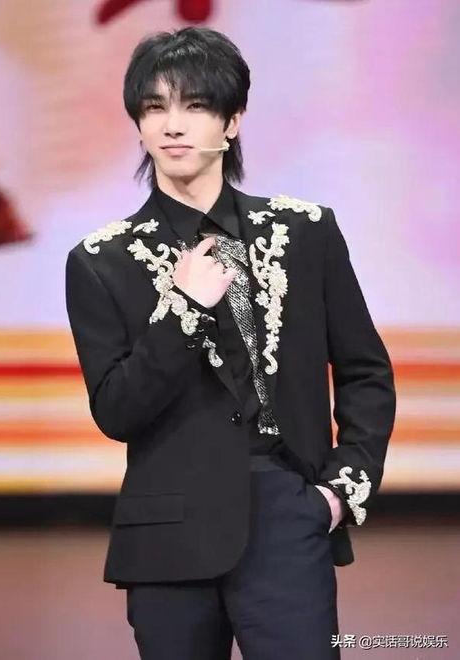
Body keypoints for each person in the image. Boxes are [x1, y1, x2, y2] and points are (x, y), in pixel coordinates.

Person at [65, 26, 396, 660]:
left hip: (288, 514)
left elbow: (365, 372)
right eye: (154, 107)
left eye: (194, 105)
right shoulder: (101, 260)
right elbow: (116, 411)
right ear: (139, 125)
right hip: (167, 534)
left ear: (232, 120)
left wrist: (337, 494)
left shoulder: (306, 232)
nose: (172, 125)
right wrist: (184, 310)